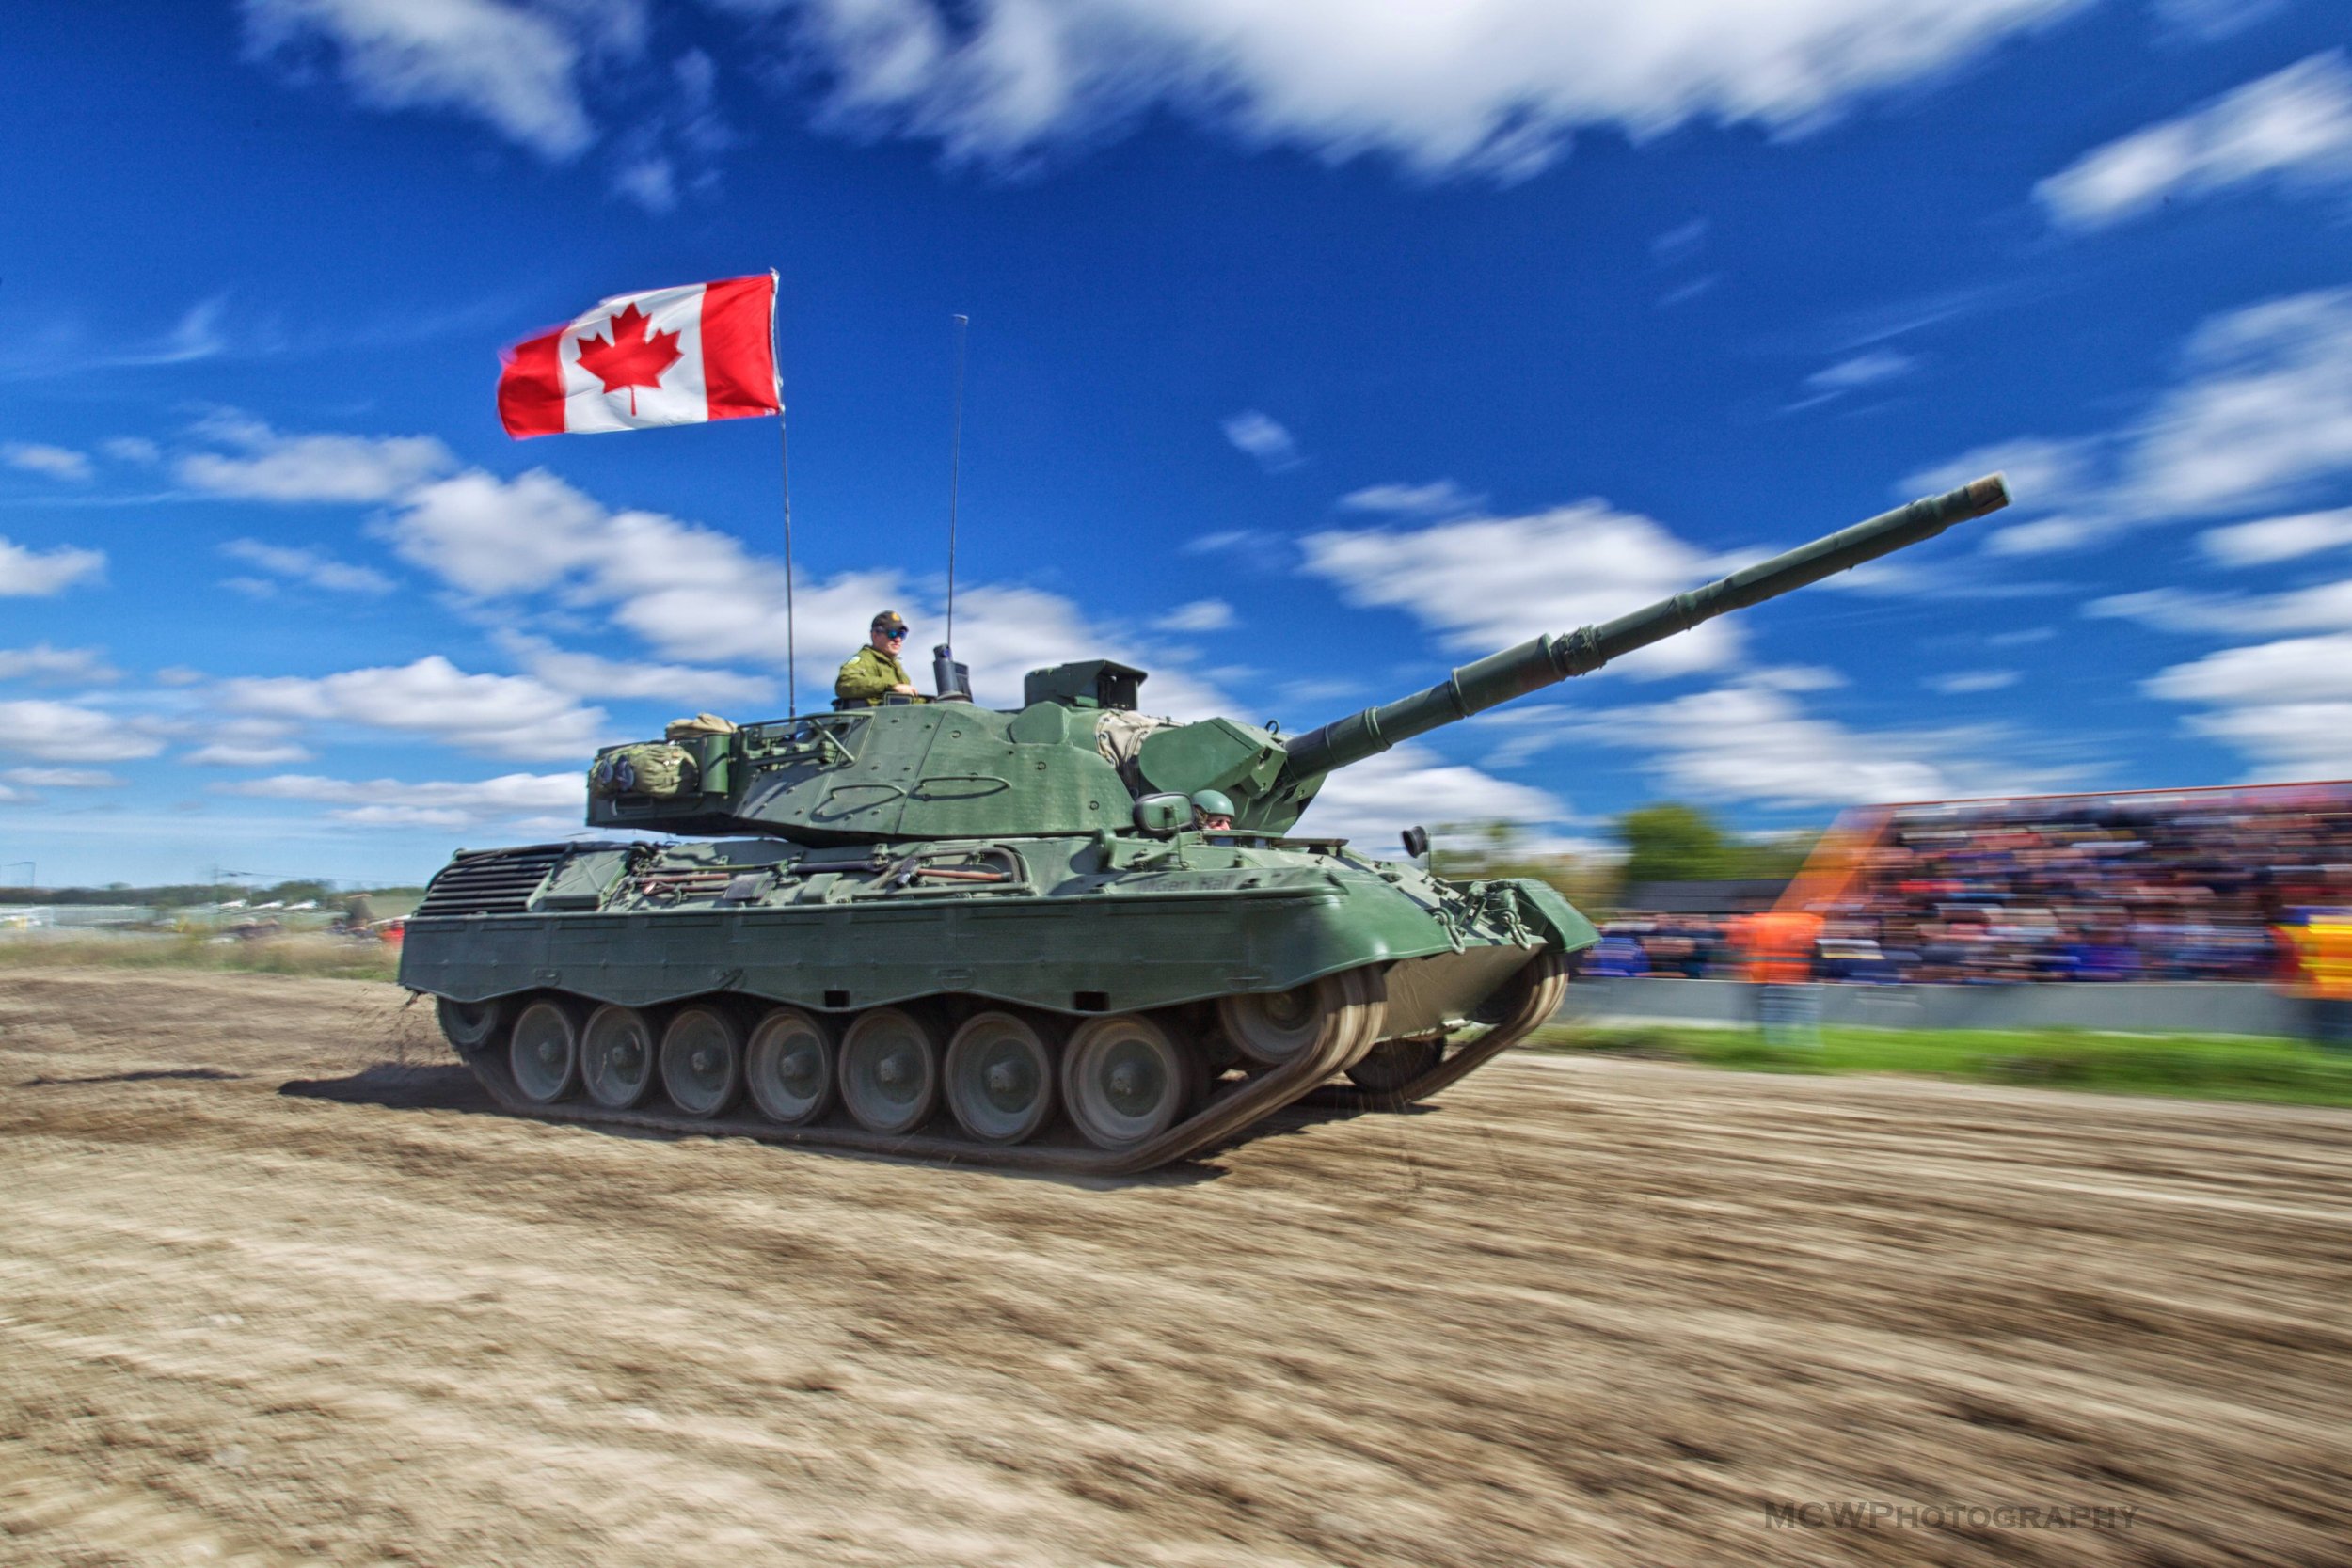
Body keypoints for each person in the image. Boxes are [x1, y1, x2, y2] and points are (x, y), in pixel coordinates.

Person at [835, 610, 923, 707]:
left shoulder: (897, 668)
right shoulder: (865, 659)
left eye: (901, 634)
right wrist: (891, 686)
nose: (898, 639)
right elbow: (845, 684)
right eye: (892, 633)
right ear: (875, 635)